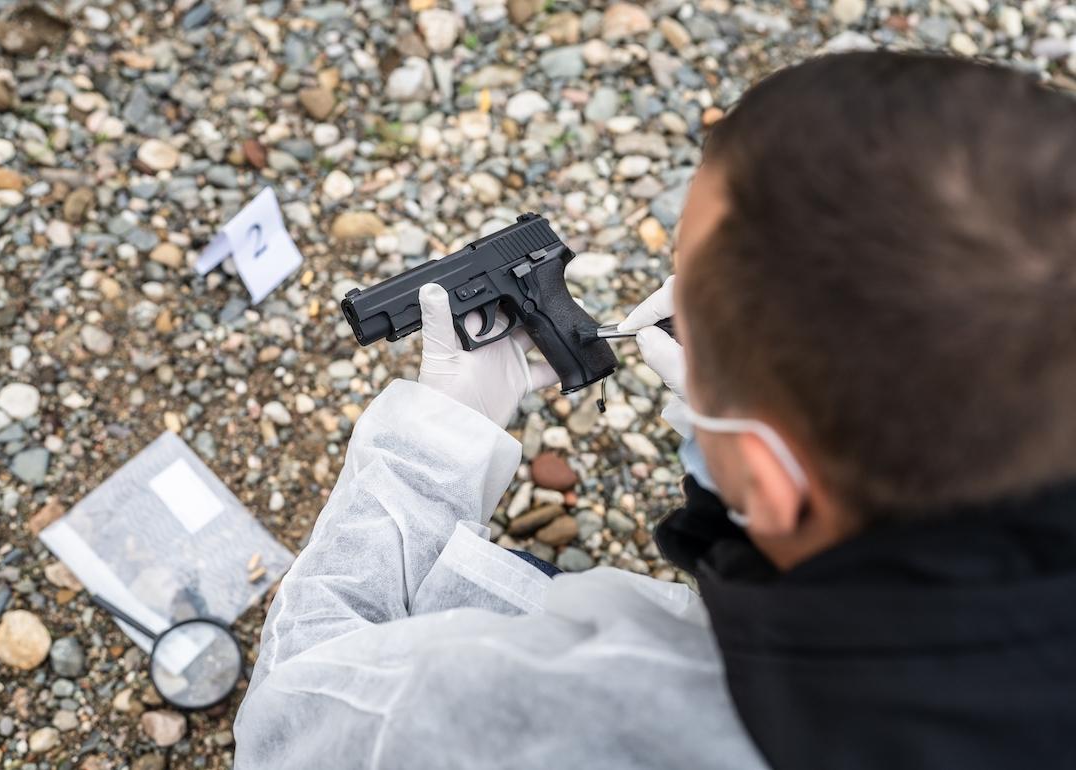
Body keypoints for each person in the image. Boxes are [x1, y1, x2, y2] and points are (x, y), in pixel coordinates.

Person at [234, 50, 1076, 769]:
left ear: (776, 483)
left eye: (695, 298)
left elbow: (292, 724)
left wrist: (428, 446)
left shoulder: (599, 720)